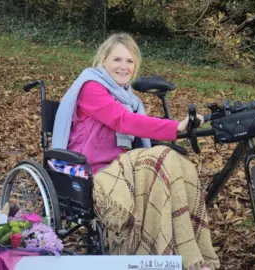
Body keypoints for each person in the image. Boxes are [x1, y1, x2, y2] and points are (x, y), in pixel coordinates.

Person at [52, 33, 220, 270]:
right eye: (117, 60)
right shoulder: (91, 88)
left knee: (177, 164)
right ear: (103, 60)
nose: (123, 67)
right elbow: (124, 121)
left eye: (129, 61)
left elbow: (136, 129)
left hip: (123, 169)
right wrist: (174, 127)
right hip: (91, 172)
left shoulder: (128, 98)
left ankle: (188, 254)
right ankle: (170, 257)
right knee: (160, 158)